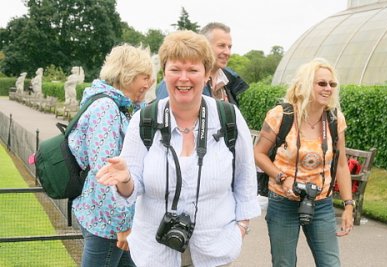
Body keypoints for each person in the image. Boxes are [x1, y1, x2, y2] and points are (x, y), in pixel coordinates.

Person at [96, 30, 261, 267]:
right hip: (156, 253)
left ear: (206, 75)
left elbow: (245, 179)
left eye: (193, 70)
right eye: (175, 69)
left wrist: (240, 229)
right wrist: (125, 179)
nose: (184, 78)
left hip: (215, 251)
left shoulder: (228, 118)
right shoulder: (145, 120)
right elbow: (131, 191)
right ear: (164, 73)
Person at [254, 58, 354, 267]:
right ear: (306, 84)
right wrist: (282, 178)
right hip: (283, 201)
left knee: (330, 263)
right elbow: (258, 154)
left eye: (332, 84)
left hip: (322, 202)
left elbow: (342, 164)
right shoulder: (281, 115)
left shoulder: (335, 119)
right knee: (284, 264)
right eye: (322, 83)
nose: (328, 88)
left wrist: (348, 206)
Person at [68, 43, 153, 267]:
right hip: (106, 223)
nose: (149, 84)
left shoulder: (114, 105)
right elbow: (105, 175)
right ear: (127, 76)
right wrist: (122, 225)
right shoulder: (106, 108)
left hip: (105, 217)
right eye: (144, 77)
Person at [156, 22, 249, 106]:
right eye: (221, 46)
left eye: (229, 47)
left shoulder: (229, 81)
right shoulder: (173, 84)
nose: (227, 52)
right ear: (205, 46)